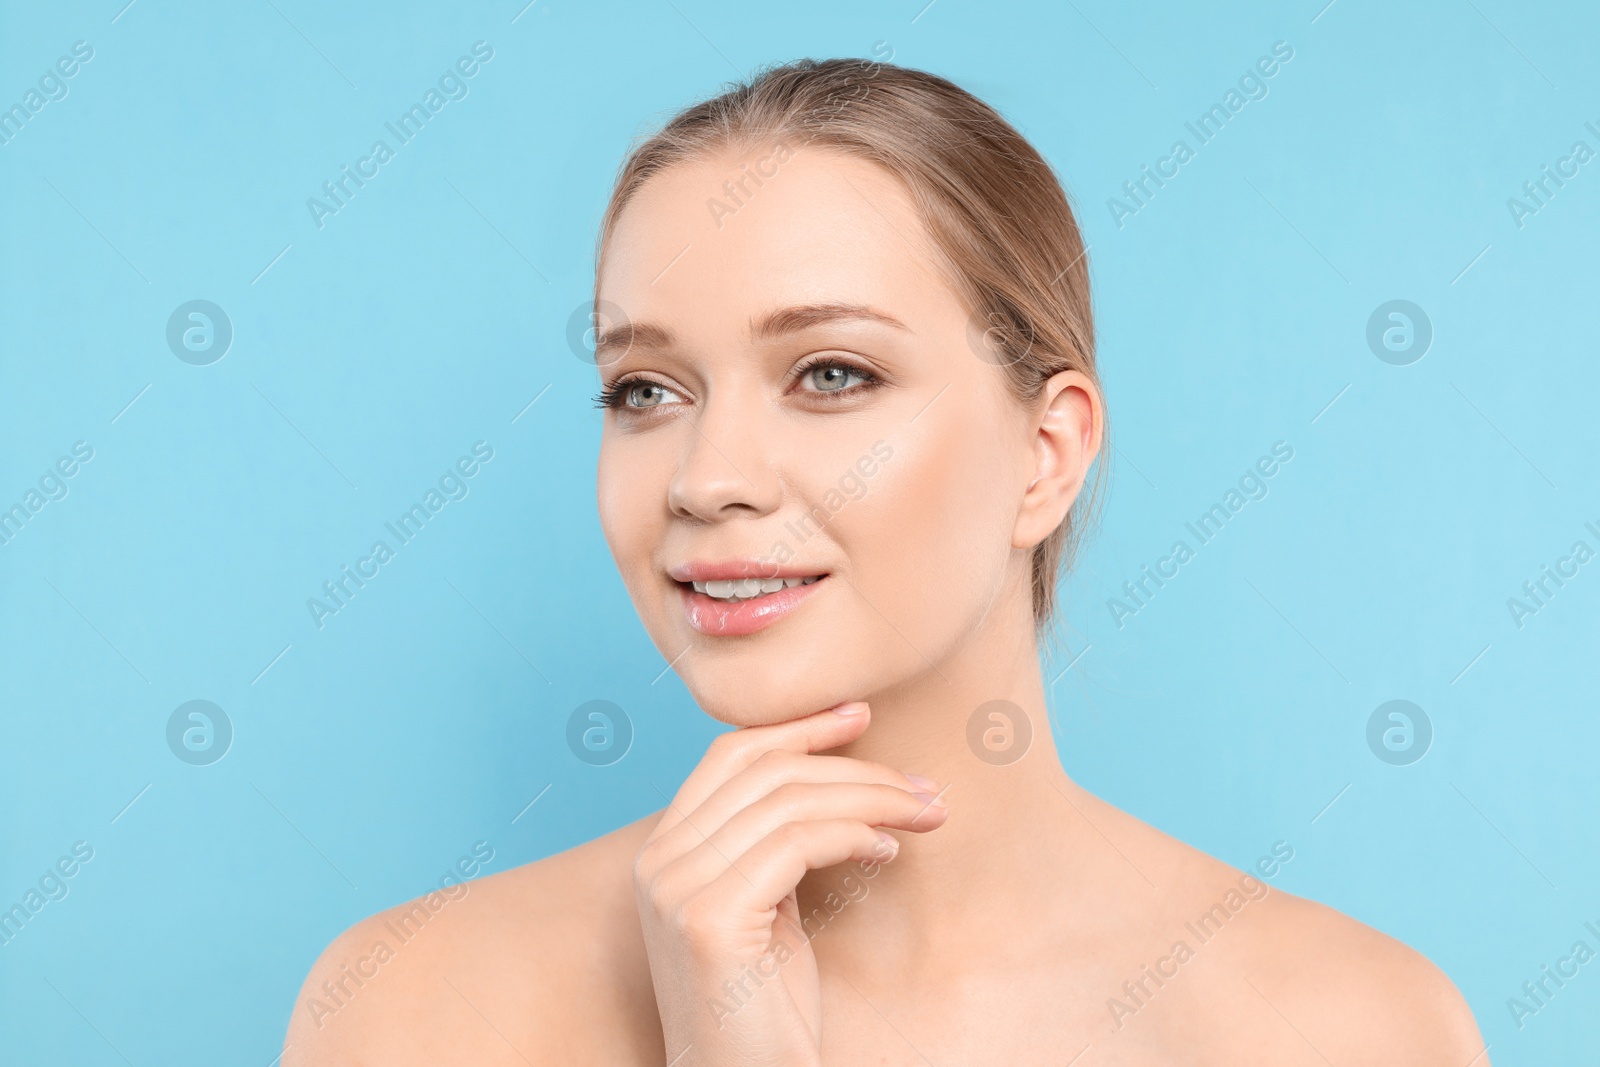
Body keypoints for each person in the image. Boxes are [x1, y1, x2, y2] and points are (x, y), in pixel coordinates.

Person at [283, 58, 1487, 1065]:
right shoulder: (415, 1007)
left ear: (1045, 452)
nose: (707, 477)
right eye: (644, 388)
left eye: (830, 374)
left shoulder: (1346, 1025)